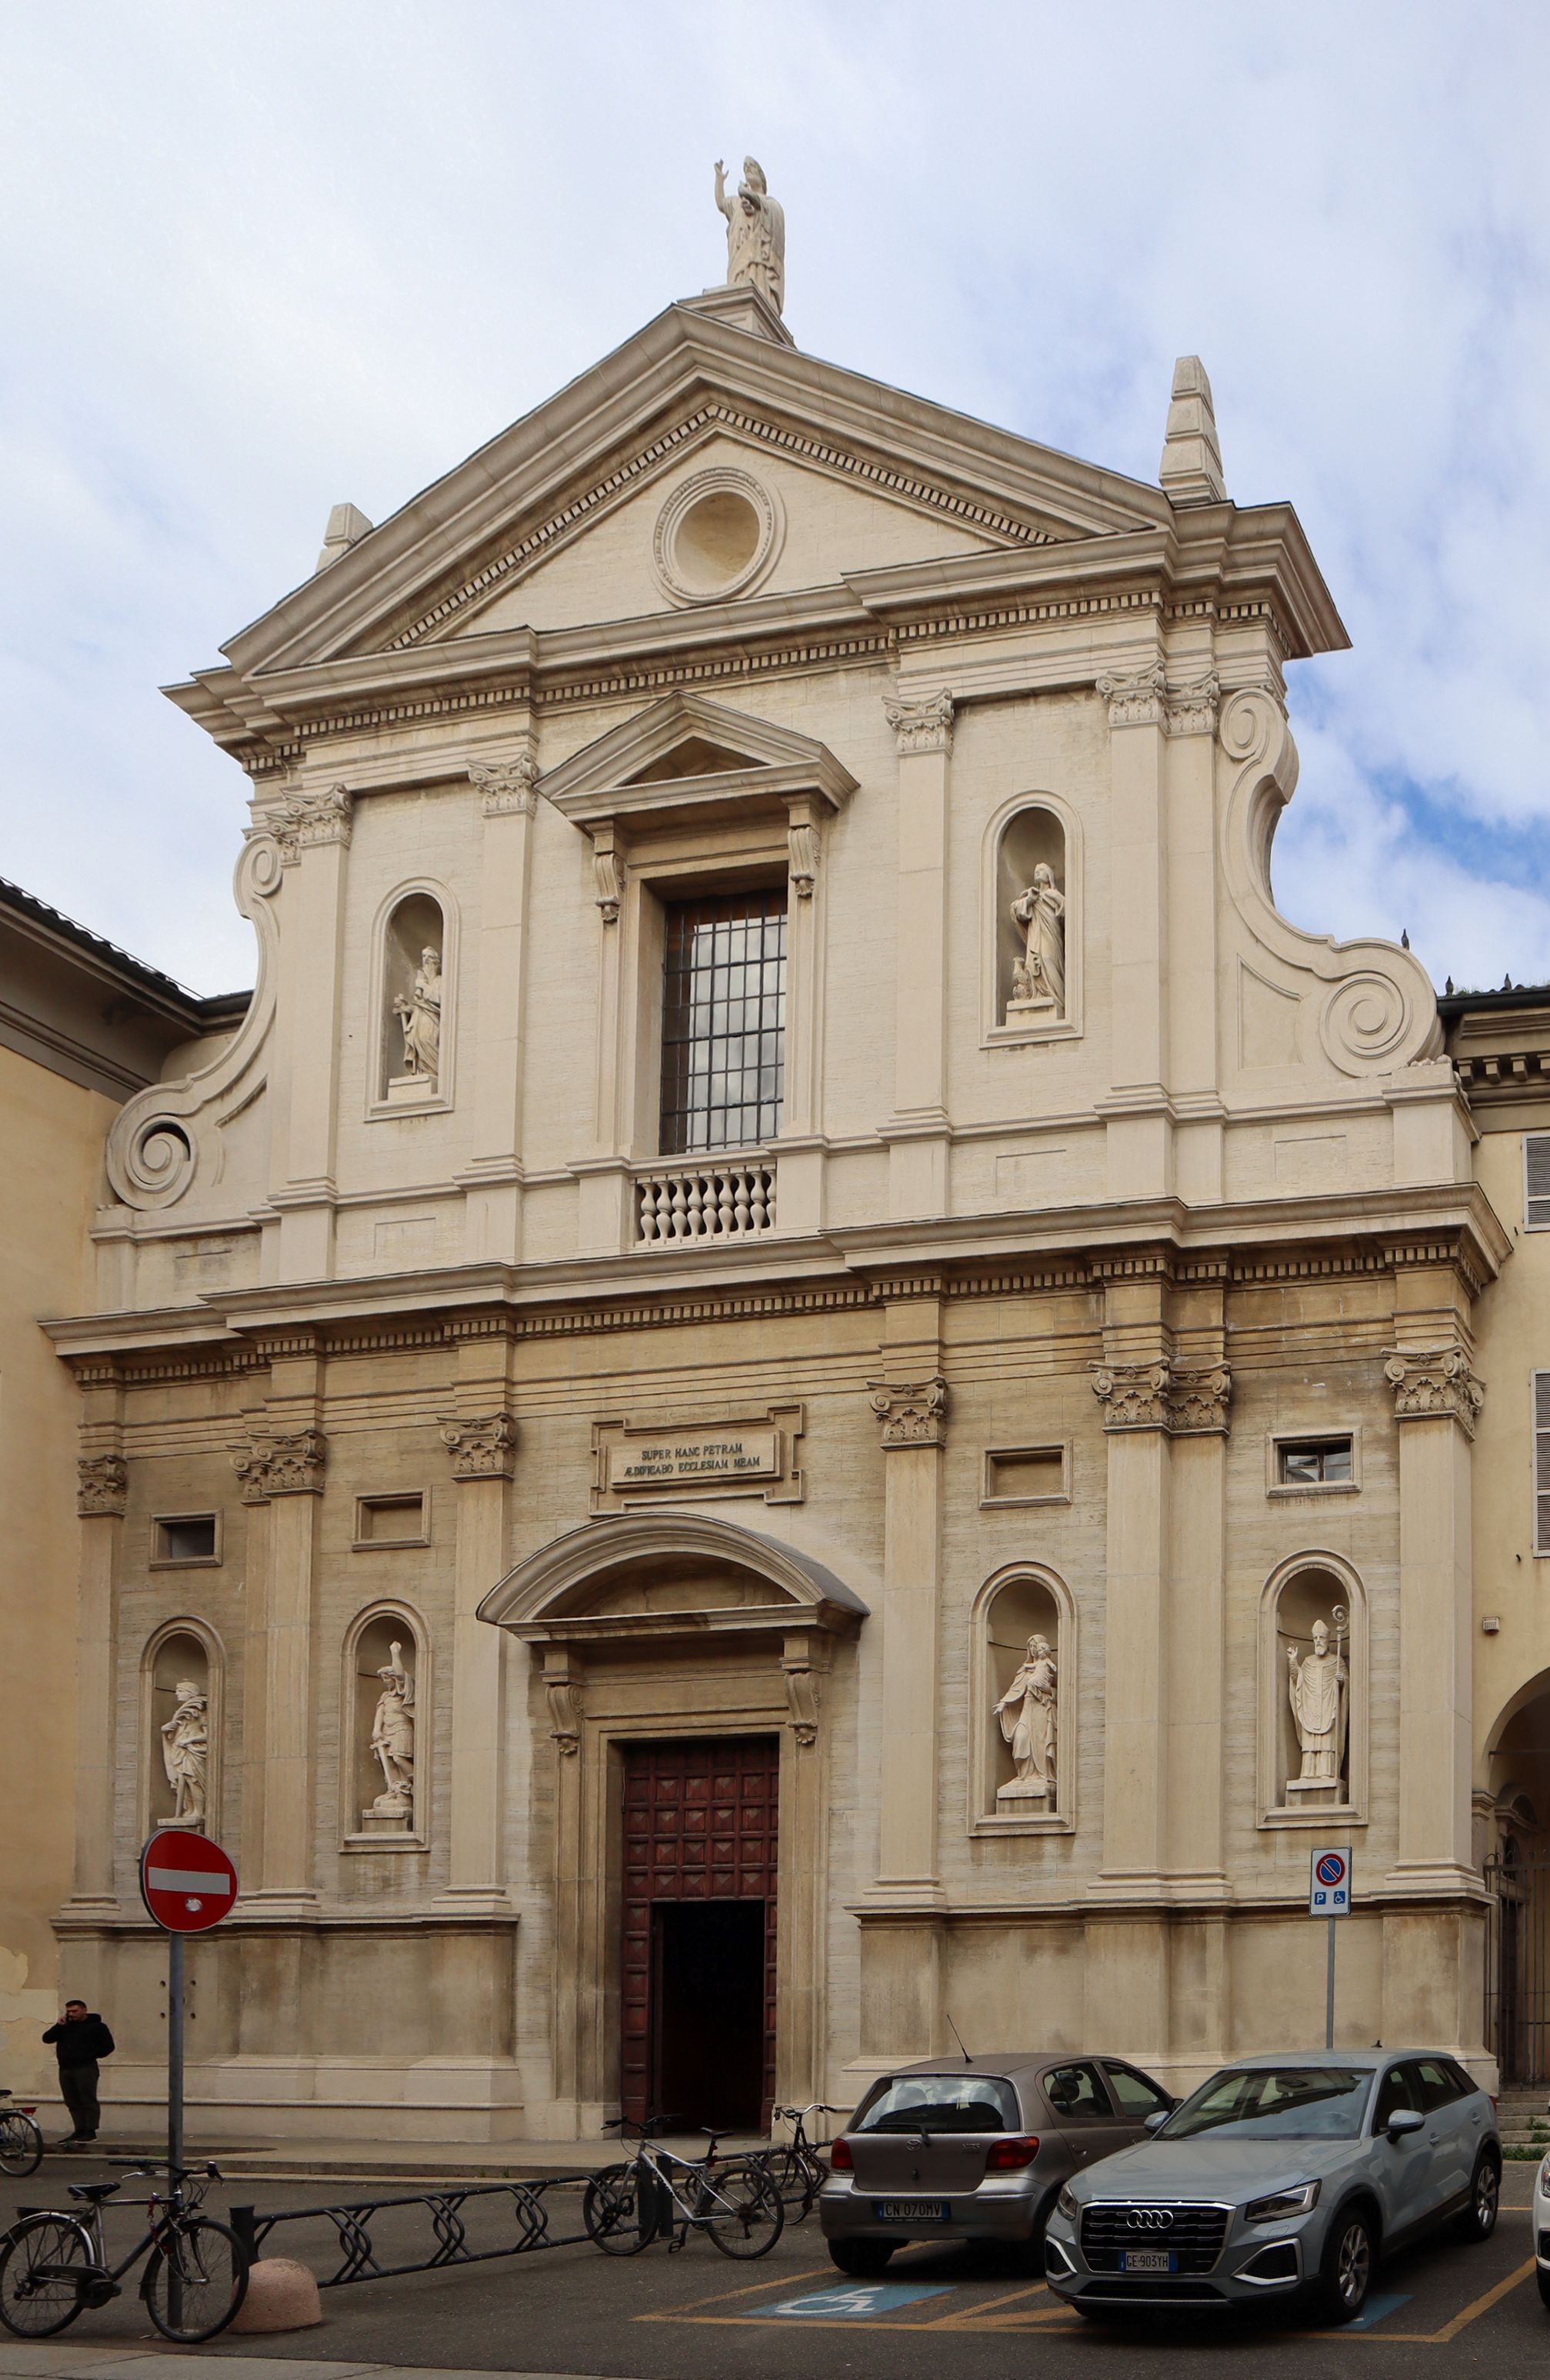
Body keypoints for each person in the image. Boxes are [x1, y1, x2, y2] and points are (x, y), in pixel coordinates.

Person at [42, 1999, 115, 2148]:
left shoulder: (97, 2027)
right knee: (72, 2101)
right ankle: (79, 2129)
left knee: (87, 2099)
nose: (71, 2014)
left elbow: (108, 2046)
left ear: (84, 2011)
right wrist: (58, 2025)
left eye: (75, 2011)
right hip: (66, 2068)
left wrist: (90, 2055)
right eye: (69, 2011)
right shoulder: (65, 2027)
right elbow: (47, 2039)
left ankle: (90, 2131)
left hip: (85, 2067)